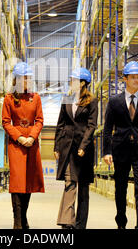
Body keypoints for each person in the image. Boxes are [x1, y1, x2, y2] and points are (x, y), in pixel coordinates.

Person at [102, 61, 138, 229]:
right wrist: (106, 152)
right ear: (125, 79)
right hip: (120, 150)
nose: (136, 80)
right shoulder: (114, 102)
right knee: (120, 188)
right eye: (133, 77)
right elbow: (107, 129)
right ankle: (121, 221)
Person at [2, 62, 45, 229]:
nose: (28, 81)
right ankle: (17, 222)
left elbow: (40, 120)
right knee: (17, 183)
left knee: (29, 183)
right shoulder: (9, 98)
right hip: (16, 144)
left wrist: (32, 137)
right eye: (25, 78)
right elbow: (6, 122)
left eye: (29, 78)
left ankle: (24, 218)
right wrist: (19, 137)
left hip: (32, 144)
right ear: (17, 79)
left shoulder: (36, 97)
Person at [54, 67, 98, 229]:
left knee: (84, 189)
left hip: (83, 150)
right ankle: (67, 221)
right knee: (69, 182)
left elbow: (91, 125)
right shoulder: (66, 98)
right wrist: (57, 146)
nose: (70, 83)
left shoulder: (92, 101)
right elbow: (61, 124)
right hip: (68, 149)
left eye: (73, 80)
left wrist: (83, 145)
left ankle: (80, 224)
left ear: (82, 83)